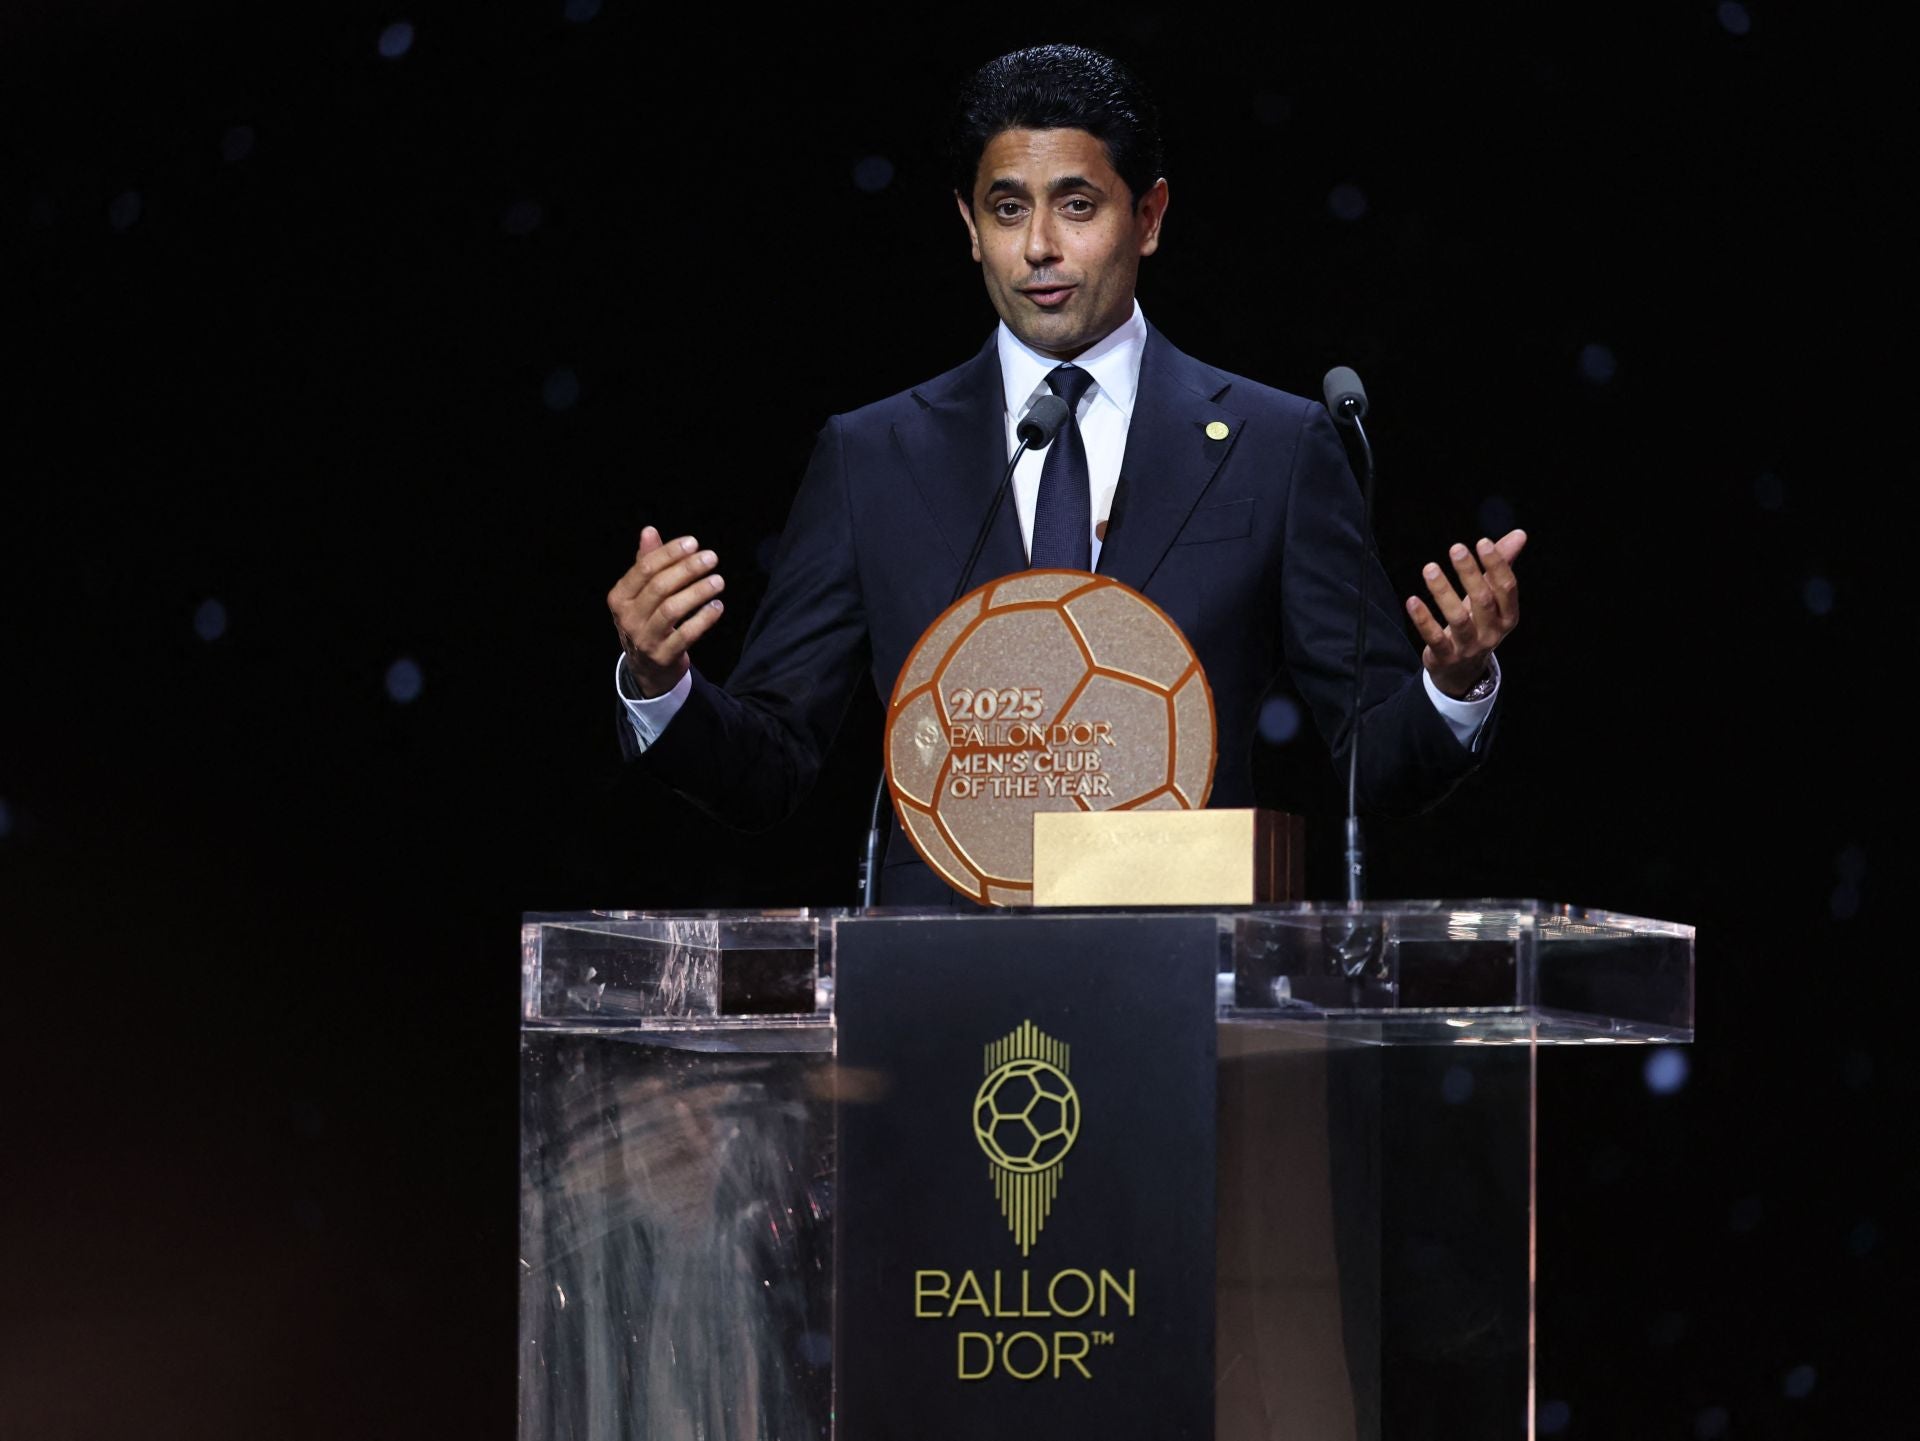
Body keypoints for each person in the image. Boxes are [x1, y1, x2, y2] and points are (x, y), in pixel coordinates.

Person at [604, 44, 1524, 906]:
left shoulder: (1275, 447)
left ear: (1150, 217)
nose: (1039, 245)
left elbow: (1377, 762)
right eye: (1008, 209)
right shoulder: (872, 457)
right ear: (969, 227)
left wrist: (1456, 681)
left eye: (1077, 205)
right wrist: (660, 683)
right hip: (936, 995)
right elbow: (771, 769)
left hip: (1179, 969)